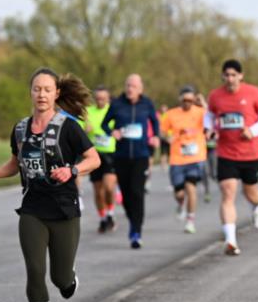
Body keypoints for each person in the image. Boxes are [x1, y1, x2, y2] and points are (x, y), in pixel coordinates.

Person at [0, 69, 100, 302]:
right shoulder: (21, 129)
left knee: (60, 279)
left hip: (64, 209)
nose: (42, 95)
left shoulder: (69, 126)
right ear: (31, 92)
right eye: (37, 89)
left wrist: (72, 170)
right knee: (35, 270)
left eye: (47, 89)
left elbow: (93, 159)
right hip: (32, 208)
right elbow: (16, 163)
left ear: (56, 93)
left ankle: (69, 276)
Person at [207, 59, 258, 256]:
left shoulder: (253, 92)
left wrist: (253, 131)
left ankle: (256, 207)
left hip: (249, 153)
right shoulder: (215, 96)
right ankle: (231, 240)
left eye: (233, 75)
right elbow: (209, 115)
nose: (230, 79)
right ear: (222, 76)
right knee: (228, 192)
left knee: (251, 192)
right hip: (226, 152)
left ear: (240, 76)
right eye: (226, 75)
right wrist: (209, 129)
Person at [101, 74, 159, 249]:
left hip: (141, 155)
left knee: (137, 192)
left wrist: (155, 136)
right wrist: (113, 132)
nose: (129, 89)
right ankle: (133, 220)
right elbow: (105, 124)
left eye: (133, 86)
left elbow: (155, 122)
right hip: (121, 156)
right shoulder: (117, 104)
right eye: (127, 85)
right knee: (126, 195)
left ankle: (136, 231)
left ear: (140, 88)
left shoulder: (147, 104)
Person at [159, 86, 207, 234]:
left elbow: (212, 117)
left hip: (195, 157)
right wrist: (167, 137)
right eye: (184, 100)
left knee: (191, 188)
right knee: (179, 193)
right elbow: (161, 131)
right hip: (177, 158)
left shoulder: (200, 112)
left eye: (190, 100)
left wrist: (203, 102)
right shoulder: (171, 114)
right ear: (180, 99)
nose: (187, 102)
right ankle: (181, 204)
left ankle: (190, 221)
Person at [84, 85, 118, 233]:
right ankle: (103, 218)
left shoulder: (114, 111)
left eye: (103, 98)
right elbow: (77, 130)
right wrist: (85, 130)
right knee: (98, 191)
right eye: (98, 98)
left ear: (108, 98)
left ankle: (110, 213)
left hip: (110, 153)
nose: (100, 101)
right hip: (94, 154)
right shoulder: (87, 112)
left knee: (109, 187)